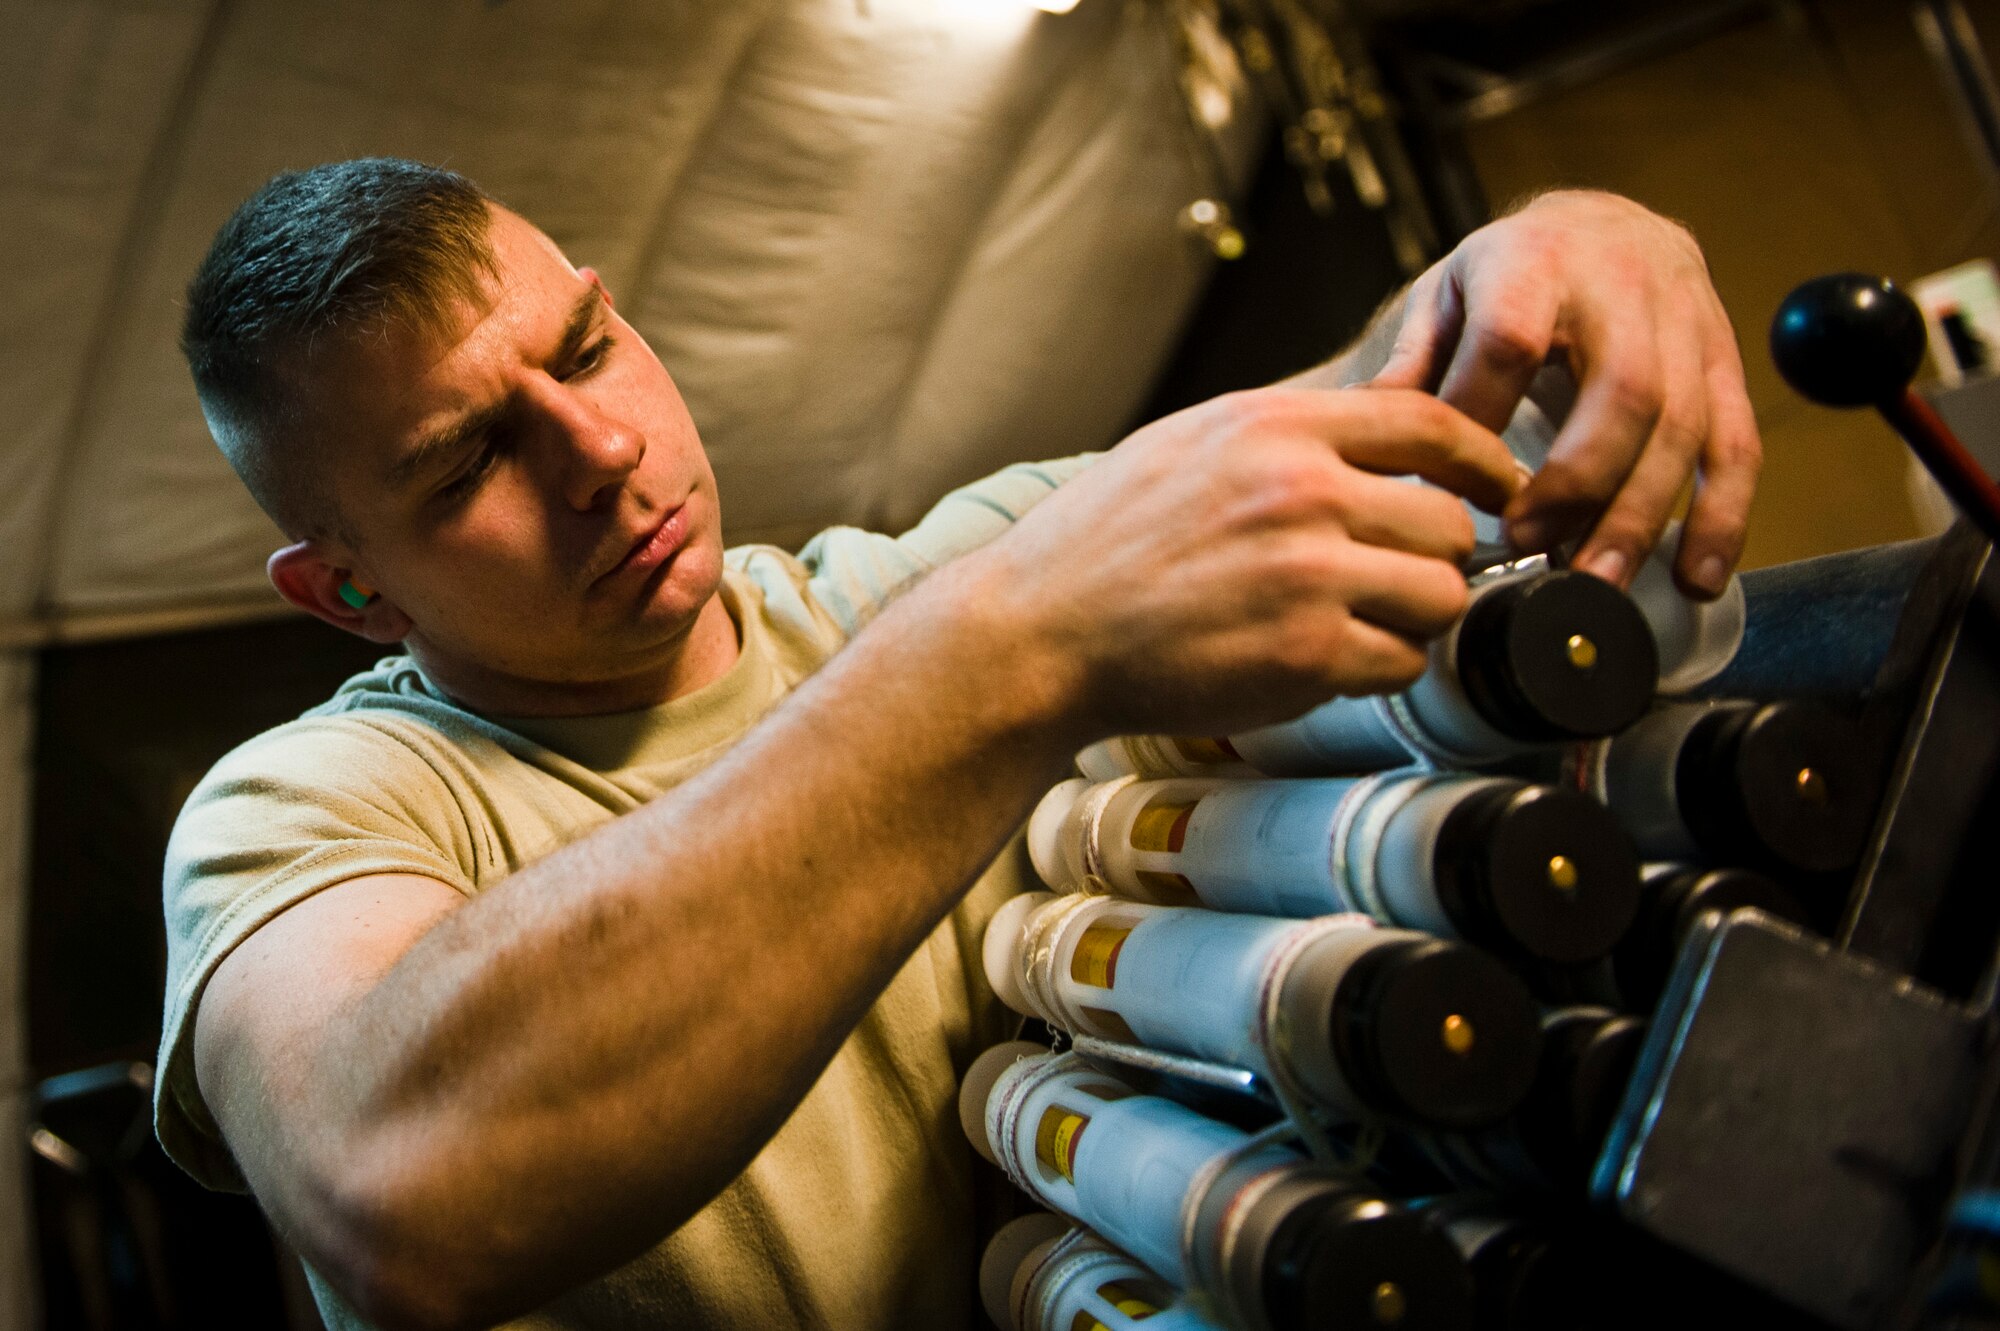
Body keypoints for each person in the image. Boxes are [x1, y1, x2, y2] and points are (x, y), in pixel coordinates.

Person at [158, 157, 1757, 1331]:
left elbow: (1378, 394)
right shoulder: (308, 811)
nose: (605, 451)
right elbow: (395, 1193)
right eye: (466, 465)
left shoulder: (934, 580)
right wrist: (1014, 646)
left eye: (583, 349)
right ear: (349, 590)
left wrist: (1574, 245)